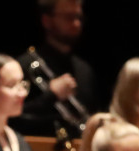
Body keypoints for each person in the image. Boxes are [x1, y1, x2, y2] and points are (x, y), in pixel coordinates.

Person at [14, 0, 97, 136]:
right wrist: (51, 95)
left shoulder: (84, 70)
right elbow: (14, 118)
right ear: (47, 21)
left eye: (79, 17)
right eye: (69, 17)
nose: (76, 23)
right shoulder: (25, 65)